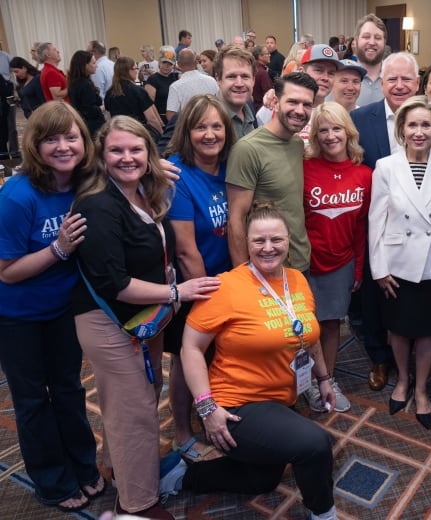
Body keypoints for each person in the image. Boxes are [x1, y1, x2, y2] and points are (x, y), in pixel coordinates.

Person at [71, 116, 220, 519]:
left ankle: (117, 466)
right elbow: (114, 283)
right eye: (116, 150)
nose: (127, 158)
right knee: (134, 411)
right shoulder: (98, 204)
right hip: (111, 324)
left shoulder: (142, 192)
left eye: (136, 149)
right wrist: (177, 291)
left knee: (130, 404)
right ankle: (138, 503)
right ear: (101, 157)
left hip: (145, 320)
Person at [176, 202, 337, 520]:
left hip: (280, 400)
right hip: (235, 407)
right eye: (258, 241)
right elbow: (190, 348)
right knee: (315, 444)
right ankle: (324, 514)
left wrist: (323, 378)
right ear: (245, 243)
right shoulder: (226, 287)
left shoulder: (297, 281)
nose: (268, 248)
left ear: (288, 240)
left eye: (276, 239)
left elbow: (308, 336)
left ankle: (183, 477)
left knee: (260, 479)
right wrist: (208, 410)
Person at [0, 101, 103, 514]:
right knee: (32, 400)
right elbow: (7, 272)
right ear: (34, 146)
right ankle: (51, 480)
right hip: (17, 316)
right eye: (51, 139)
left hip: (65, 309)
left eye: (71, 136)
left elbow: (132, 166)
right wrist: (58, 249)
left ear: (83, 140)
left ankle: (82, 465)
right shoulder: (17, 195)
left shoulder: (86, 184)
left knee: (69, 390)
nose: (63, 146)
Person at [369, 95, 431, 429]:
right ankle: (402, 381)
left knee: (426, 333)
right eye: (412, 125)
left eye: (426, 125)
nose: (419, 131)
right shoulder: (385, 167)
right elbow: (375, 221)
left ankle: (421, 389)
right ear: (402, 129)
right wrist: (378, 269)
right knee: (398, 329)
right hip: (396, 266)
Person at [162, 94, 236, 464]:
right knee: (185, 357)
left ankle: (217, 413)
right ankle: (182, 432)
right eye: (200, 126)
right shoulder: (177, 175)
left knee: (217, 355)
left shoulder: (230, 166)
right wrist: (210, 300)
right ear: (186, 132)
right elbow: (187, 250)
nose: (210, 134)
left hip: (229, 279)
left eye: (216, 126)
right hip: (194, 287)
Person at [350, 51, 422, 391]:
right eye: (392, 78)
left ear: (417, 83)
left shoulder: (429, 119)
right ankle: (379, 357)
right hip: (373, 223)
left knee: (411, 294)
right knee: (374, 295)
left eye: (406, 78)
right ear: (381, 82)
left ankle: (410, 362)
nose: (399, 85)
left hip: (417, 228)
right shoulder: (360, 118)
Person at [302, 102, 372, 413]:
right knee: (301, 329)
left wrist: (357, 268)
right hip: (303, 264)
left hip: (341, 264)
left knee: (330, 326)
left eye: (337, 128)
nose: (331, 136)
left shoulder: (364, 174)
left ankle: (325, 381)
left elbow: (361, 227)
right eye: (323, 130)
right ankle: (299, 382)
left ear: (348, 132)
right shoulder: (303, 167)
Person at [226, 72, 318, 270]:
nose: (300, 111)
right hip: (266, 268)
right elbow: (236, 220)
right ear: (275, 102)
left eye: (307, 104)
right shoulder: (248, 149)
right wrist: (243, 276)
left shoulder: (296, 144)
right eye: (292, 102)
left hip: (300, 260)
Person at [104, 57, 164, 136]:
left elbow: (109, 118)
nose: (137, 71)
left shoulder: (109, 93)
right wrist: (161, 134)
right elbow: (152, 119)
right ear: (129, 71)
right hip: (138, 133)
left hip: (119, 133)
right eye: (136, 68)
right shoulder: (138, 91)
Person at [165, 48, 218, 122]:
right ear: (196, 63)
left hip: (188, 128)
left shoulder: (175, 87)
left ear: (179, 64)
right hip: (211, 123)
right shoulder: (212, 81)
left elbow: (171, 115)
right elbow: (219, 103)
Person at [67, 50, 105, 137]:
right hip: (93, 126)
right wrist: (103, 107)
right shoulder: (84, 84)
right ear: (85, 65)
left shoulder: (74, 82)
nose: (96, 66)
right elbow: (90, 110)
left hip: (83, 123)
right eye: (94, 63)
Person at [354, 14, 387, 106]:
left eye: (378, 38)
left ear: (384, 42)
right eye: (366, 36)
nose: (372, 42)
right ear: (356, 41)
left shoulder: (395, 79)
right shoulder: (342, 78)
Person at [145, 46, 179, 126]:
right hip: (161, 120)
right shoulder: (153, 79)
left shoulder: (176, 77)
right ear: (159, 62)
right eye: (164, 62)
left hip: (176, 120)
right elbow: (149, 105)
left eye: (170, 64)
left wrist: (177, 66)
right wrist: (159, 123)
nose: (166, 66)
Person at [251, 45, 273, 110]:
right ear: (260, 56)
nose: (270, 55)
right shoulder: (262, 73)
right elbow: (268, 93)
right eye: (267, 53)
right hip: (262, 108)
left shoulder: (253, 69)